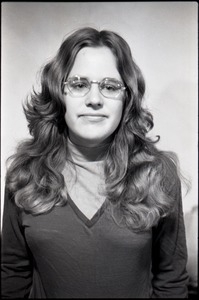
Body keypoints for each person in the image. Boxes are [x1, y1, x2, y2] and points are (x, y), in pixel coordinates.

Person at [1, 27, 189, 298]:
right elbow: (12, 276)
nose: (94, 99)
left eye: (110, 86)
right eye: (79, 84)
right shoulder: (24, 174)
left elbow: (171, 281)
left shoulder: (158, 174)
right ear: (59, 93)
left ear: (127, 98)